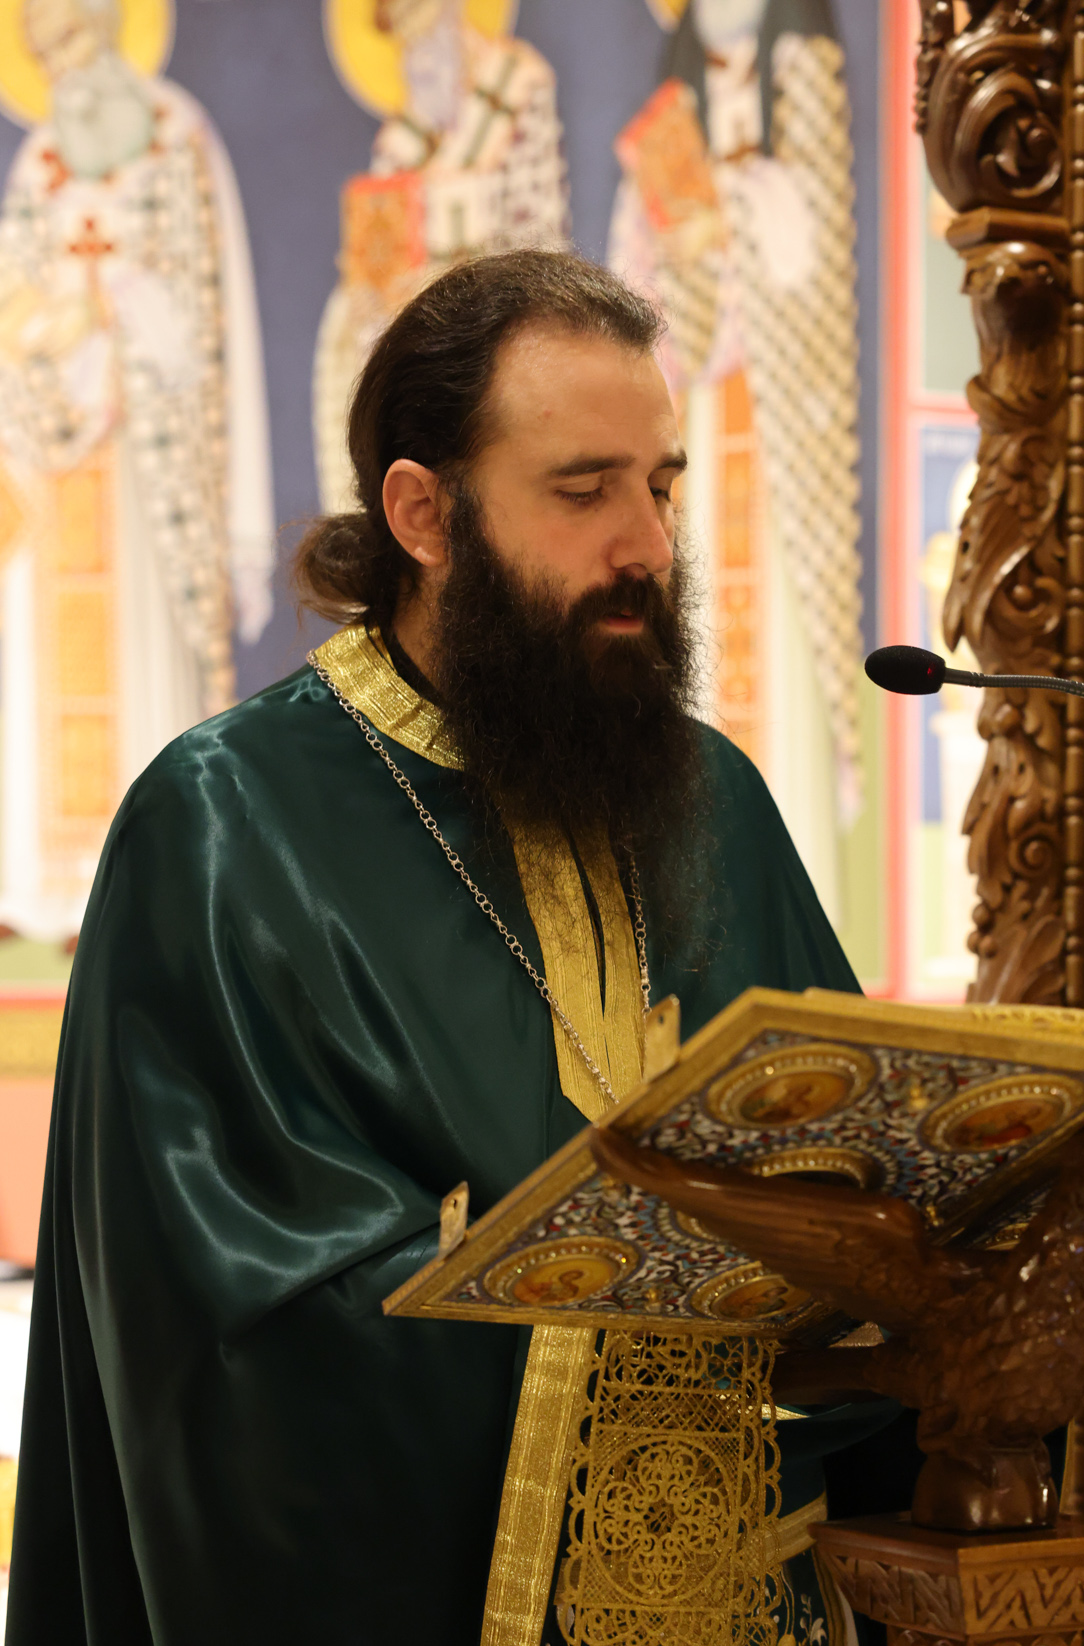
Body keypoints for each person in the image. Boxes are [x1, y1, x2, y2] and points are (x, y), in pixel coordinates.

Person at [0, 251, 923, 1646]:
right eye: (581, 492)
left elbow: (859, 1164)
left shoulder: (707, 802)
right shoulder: (230, 825)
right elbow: (237, 1335)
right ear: (422, 514)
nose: (643, 544)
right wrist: (636, 1332)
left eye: (658, 485)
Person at [0, 0, 274, 943]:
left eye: (73, 39)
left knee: (143, 648)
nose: (64, 70)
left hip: (150, 459)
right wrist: (41, 329)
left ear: (111, 28)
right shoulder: (40, 160)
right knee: (46, 653)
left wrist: (109, 308)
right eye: (44, 53)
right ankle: (43, 884)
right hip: (56, 456)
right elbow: (13, 291)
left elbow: (204, 308)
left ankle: (152, 878)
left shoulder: (173, 136)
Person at [609, 0, 864, 924]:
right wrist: (680, 246)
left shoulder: (803, 83)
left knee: (780, 653)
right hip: (694, 427)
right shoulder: (669, 121)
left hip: (782, 422)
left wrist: (737, 208)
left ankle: (800, 887)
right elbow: (629, 292)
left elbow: (809, 260)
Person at [314, 0, 567, 514]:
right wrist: (370, 296)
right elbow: (380, 259)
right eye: (404, 37)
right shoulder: (401, 140)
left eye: (423, 26)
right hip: (414, 349)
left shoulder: (515, 85)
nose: (416, 54)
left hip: (491, 335)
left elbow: (538, 245)